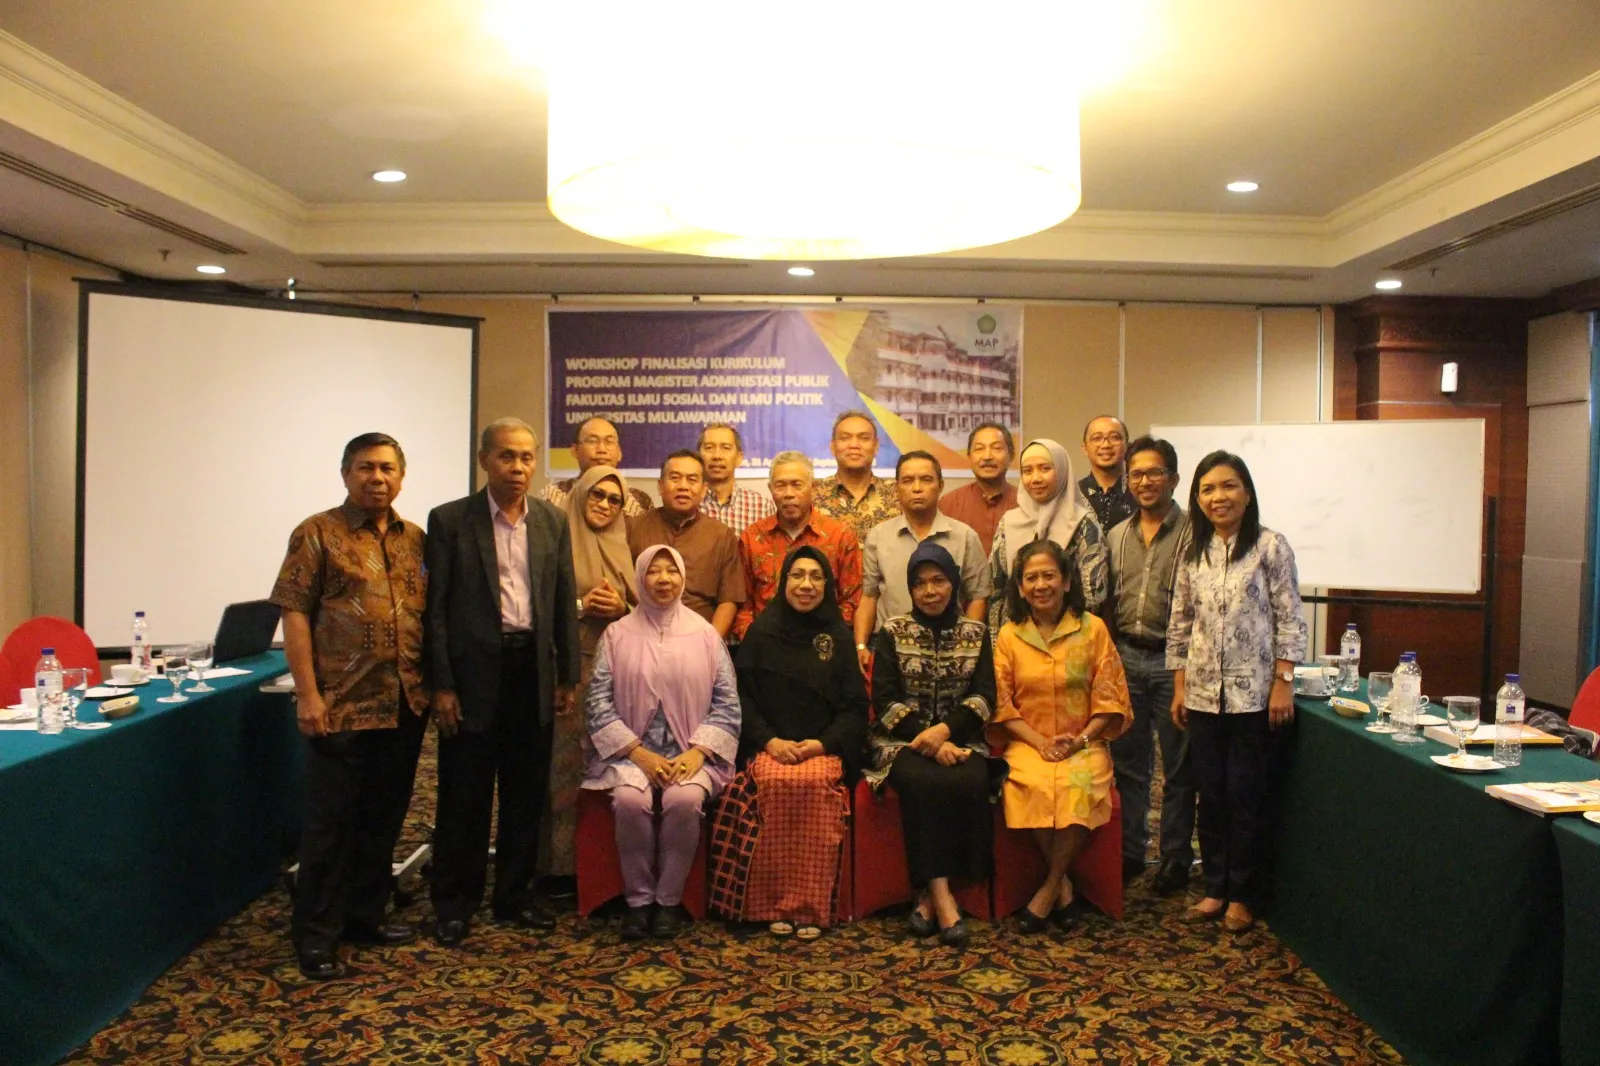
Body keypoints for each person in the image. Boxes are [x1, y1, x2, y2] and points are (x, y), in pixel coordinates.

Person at [270, 431, 428, 980]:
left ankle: (366, 916)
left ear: (401, 477)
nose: (377, 478)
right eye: (365, 467)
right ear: (345, 474)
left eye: (387, 468)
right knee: (330, 827)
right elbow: (294, 612)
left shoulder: (416, 539)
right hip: (341, 704)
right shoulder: (316, 533)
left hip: (403, 701)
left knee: (383, 819)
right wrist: (308, 694)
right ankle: (316, 936)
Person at [425, 417, 581, 946]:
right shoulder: (450, 520)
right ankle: (454, 902)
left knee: (525, 793)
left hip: (531, 671)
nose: (518, 467)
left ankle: (515, 896)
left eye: (527, 457)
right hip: (471, 676)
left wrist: (567, 675)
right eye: (506, 456)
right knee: (464, 793)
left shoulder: (551, 520)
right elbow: (436, 610)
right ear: (484, 460)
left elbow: (562, 599)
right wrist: (442, 683)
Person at [1167, 450, 1307, 934]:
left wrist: (1283, 684)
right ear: (1197, 498)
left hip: (1254, 698)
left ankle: (1244, 895)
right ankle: (1215, 886)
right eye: (1207, 489)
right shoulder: (1193, 552)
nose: (1218, 497)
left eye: (1228, 486)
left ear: (1247, 493)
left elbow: (1290, 619)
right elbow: (1181, 623)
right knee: (1210, 794)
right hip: (1203, 695)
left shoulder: (1271, 547)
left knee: (1246, 796)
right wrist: (1180, 686)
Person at [583, 545, 741, 940]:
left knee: (683, 800)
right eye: (654, 571)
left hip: (692, 754)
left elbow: (727, 702)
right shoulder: (617, 634)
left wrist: (699, 751)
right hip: (631, 754)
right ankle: (639, 902)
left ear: (683, 577)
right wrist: (637, 753)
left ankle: (668, 901)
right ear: (640, 577)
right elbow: (597, 701)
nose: (664, 579)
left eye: (672, 570)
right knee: (630, 802)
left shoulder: (705, 635)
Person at [709, 547, 866, 938]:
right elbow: (741, 700)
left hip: (823, 749)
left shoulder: (839, 637)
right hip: (770, 747)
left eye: (815, 576)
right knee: (776, 781)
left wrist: (821, 745)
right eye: (797, 575)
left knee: (813, 782)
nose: (806, 585)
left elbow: (854, 708)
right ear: (784, 582)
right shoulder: (762, 633)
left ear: (827, 585)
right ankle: (771, 905)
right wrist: (770, 742)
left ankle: (810, 908)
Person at [991, 539, 1132, 933]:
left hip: (1083, 743)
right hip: (1027, 742)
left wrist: (1081, 740)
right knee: (1031, 783)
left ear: (1067, 581)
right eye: (1031, 578)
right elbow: (1001, 703)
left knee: (1077, 784)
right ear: (1020, 588)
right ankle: (1064, 888)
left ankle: (1048, 889)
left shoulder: (1093, 629)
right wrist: (1039, 743)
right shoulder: (1010, 635)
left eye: (1049, 576)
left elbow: (1109, 696)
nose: (1041, 585)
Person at [867, 541, 1001, 948]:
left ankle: (926, 898)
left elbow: (984, 697)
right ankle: (943, 900)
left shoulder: (976, 633)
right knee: (924, 781)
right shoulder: (892, 632)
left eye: (939, 581)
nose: (930, 591)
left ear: (954, 584)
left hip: (962, 741)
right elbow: (884, 700)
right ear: (910, 589)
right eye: (920, 583)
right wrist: (929, 741)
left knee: (971, 779)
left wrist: (945, 733)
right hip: (900, 743)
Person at [1106, 436, 1195, 893]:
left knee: (1178, 767)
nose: (1144, 481)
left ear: (1174, 478)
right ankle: (1131, 852)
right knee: (1129, 764)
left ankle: (1176, 857)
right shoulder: (1116, 536)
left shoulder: (1196, 533)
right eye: (1136, 474)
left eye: (1154, 472)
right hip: (1125, 657)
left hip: (1176, 662)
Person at [544, 464, 638, 892]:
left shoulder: (625, 546)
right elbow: (536, 602)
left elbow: (645, 610)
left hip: (617, 676)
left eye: (614, 499)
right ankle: (559, 868)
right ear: (580, 496)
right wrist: (582, 604)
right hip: (568, 672)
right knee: (563, 770)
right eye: (596, 495)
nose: (604, 505)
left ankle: (605, 870)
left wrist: (622, 608)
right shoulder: (553, 539)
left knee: (613, 770)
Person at [854, 451, 990, 673]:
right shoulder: (878, 536)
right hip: (890, 649)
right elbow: (869, 596)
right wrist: (860, 645)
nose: (917, 488)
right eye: (908, 480)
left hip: (948, 649)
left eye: (926, 480)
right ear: (896, 488)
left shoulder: (965, 536)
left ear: (940, 485)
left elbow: (978, 597)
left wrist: (966, 646)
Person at [733, 451, 862, 642]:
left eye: (796, 485)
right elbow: (743, 604)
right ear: (770, 489)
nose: (788, 494)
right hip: (766, 645)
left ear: (814, 487)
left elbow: (851, 600)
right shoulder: (752, 538)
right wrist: (755, 640)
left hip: (824, 646)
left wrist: (826, 642)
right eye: (780, 485)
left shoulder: (840, 536)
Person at [988, 438, 1109, 633]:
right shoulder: (1008, 523)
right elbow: (996, 591)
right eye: (1027, 471)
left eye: (1045, 469)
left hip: (1072, 636)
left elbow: (1094, 596)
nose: (1035, 478)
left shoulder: (1082, 523)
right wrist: (997, 638)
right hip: (1016, 636)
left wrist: (1060, 634)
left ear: (1061, 471)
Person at [627, 450, 745, 638]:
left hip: (698, 637)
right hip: (640, 635)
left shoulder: (721, 535)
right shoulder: (633, 528)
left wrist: (709, 644)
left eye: (692, 480)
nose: (683, 486)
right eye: (675, 478)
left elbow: (729, 599)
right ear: (660, 486)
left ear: (704, 490)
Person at [814, 410, 901, 540]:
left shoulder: (898, 494)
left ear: (876, 446)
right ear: (833, 447)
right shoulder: (813, 495)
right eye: (845, 438)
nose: (854, 445)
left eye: (864, 438)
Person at [541, 416, 653, 516]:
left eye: (609, 442)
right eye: (592, 441)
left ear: (619, 453)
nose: (601, 449)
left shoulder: (639, 503)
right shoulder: (552, 496)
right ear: (575, 450)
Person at [939, 421, 1019, 557]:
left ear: (1011, 456)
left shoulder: (1025, 503)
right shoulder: (948, 505)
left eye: (996, 448)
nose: (987, 456)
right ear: (969, 457)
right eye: (979, 449)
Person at [698, 422, 776, 536]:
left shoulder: (762, 507)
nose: (717, 456)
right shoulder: (688, 504)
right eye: (709, 448)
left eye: (725, 448)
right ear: (698, 456)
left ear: (739, 458)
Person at [1078, 416, 1136, 534]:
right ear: (1084, 448)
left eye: (1114, 437)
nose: (1106, 445)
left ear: (1127, 446)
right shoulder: (1073, 494)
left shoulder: (1139, 491)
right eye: (1097, 438)